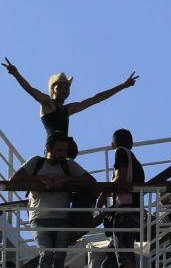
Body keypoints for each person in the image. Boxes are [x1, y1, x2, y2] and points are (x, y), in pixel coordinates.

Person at [1, 59, 139, 159]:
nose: (64, 89)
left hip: (65, 149)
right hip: (52, 149)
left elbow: (95, 99)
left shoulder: (67, 109)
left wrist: (123, 86)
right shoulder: (48, 104)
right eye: (59, 87)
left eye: (66, 87)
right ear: (52, 90)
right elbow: (30, 90)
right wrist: (16, 74)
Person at [10, 132, 94, 268]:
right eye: (59, 150)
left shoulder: (69, 165)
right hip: (39, 217)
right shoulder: (36, 162)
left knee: (60, 257)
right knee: (47, 254)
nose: (63, 154)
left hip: (63, 218)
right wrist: (40, 179)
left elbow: (91, 181)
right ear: (49, 149)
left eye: (65, 150)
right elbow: (14, 180)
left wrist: (67, 179)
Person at [97, 129, 146, 268]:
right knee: (111, 261)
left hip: (125, 212)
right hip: (135, 212)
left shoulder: (120, 152)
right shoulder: (135, 161)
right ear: (132, 144)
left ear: (113, 145)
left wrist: (103, 194)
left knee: (125, 257)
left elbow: (120, 178)